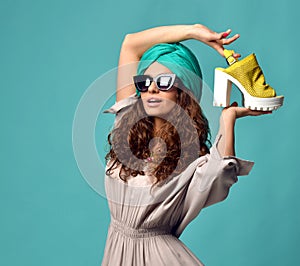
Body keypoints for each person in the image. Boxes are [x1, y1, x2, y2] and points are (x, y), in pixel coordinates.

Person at [102, 24, 271, 266]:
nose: (151, 88)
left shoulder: (189, 157)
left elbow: (218, 170)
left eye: (164, 81)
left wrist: (228, 118)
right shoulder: (126, 128)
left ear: (183, 91)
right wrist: (194, 32)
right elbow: (130, 44)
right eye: (144, 81)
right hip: (116, 252)